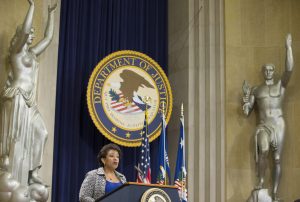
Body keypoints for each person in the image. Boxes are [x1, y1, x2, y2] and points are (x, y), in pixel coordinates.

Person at [0, 0, 57, 186]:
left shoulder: (32, 54)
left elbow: (48, 39)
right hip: (17, 98)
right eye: (30, 32)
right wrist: (32, 7)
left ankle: (33, 173)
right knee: (15, 141)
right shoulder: (16, 53)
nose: (32, 35)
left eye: (33, 33)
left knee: (42, 132)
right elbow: (24, 32)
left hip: (29, 102)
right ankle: (14, 178)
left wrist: (51, 15)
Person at [242, 34, 293, 201]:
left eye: (271, 69)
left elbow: (289, 70)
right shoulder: (256, 90)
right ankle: (262, 181)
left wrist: (288, 48)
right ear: (263, 72)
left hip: (278, 123)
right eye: (266, 70)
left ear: (273, 71)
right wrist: (246, 100)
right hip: (264, 125)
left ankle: (276, 192)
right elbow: (247, 111)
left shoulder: (281, 85)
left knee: (277, 159)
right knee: (263, 149)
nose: (269, 72)